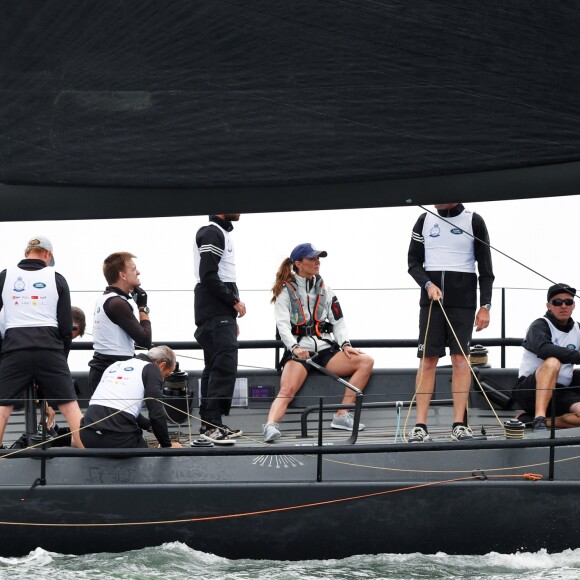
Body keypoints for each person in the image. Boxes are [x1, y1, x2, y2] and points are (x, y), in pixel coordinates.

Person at [262, 243, 374, 443]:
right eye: (312, 259)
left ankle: (341, 415)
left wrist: (345, 344)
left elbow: (338, 322)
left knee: (365, 361)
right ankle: (270, 425)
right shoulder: (285, 291)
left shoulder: (326, 290)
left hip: (325, 350)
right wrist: (295, 348)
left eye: (318, 258)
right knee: (287, 389)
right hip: (299, 352)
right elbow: (282, 325)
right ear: (298, 264)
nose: (317, 262)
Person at [407, 203, 494, 442]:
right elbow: (413, 263)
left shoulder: (473, 220)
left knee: (460, 360)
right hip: (431, 301)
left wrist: (485, 306)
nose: (435, 200)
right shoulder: (424, 220)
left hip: (463, 301)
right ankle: (420, 426)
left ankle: (459, 425)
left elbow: (486, 269)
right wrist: (427, 284)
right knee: (427, 360)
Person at [0, 236, 84, 448]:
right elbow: (66, 327)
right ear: (47, 254)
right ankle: (89, 454)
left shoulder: (4, 277)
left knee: (3, 406)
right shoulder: (57, 278)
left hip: (14, 348)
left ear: (27, 252)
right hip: (50, 348)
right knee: (70, 407)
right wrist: (61, 358)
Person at [194, 214, 246, 444]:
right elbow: (208, 274)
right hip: (215, 310)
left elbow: (220, 275)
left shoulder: (219, 232)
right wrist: (233, 302)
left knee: (215, 365)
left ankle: (211, 422)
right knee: (223, 365)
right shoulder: (213, 232)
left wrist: (231, 316)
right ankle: (211, 424)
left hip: (218, 313)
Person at [81, 345, 182, 448]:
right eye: (166, 375)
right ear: (162, 365)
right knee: (146, 456)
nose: (163, 380)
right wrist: (167, 445)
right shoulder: (152, 368)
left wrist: (147, 425)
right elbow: (156, 414)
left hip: (87, 435)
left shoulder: (117, 364)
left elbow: (121, 404)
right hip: (118, 438)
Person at [512, 283, 580, 431]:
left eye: (568, 302)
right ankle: (539, 417)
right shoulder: (539, 325)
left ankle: (536, 422)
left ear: (573, 305)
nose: (563, 306)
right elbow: (544, 349)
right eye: (557, 302)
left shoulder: (577, 329)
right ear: (549, 305)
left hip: (560, 391)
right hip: (530, 391)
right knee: (552, 361)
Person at [88, 252, 152, 394]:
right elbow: (145, 340)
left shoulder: (105, 299)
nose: (138, 272)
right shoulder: (117, 303)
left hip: (104, 369)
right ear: (123, 275)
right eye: (134, 269)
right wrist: (143, 307)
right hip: (113, 373)